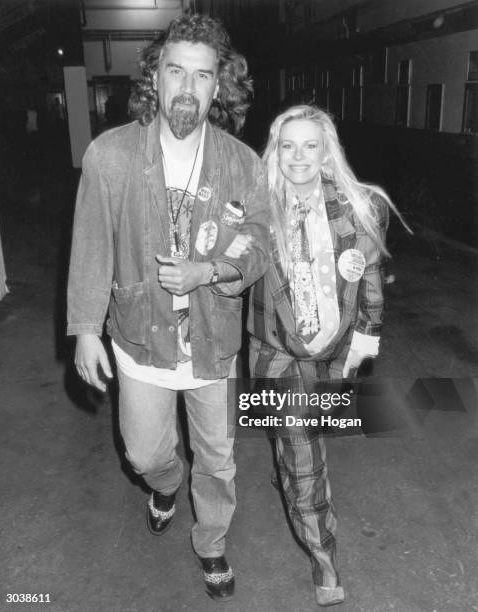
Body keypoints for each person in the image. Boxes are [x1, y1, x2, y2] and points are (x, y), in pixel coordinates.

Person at [67, 14, 269, 601]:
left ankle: (211, 544)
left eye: (202, 76)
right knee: (144, 452)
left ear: (219, 86)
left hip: (212, 341)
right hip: (139, 337)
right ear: (155, 77)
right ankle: (164, 485)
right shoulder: (111, 156)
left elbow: (258, 242)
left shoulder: (241, 162)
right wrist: (83, 328)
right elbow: (90, 245)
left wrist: (212, 271)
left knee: (219, 458)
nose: (188, 87)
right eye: (175, 70)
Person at [247, 104, 410, 607]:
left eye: (310, 145)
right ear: (275, 151)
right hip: (277, 354)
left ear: (326, 152)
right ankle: (325, 561)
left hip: (335, 353)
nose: (298, 156)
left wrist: (363, 346)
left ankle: (290, 461)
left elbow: (373, 287)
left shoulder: (362, 206)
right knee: (302, 454)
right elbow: (230, 269)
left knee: (305, 437)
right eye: (287, 145)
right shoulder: (255, 207)